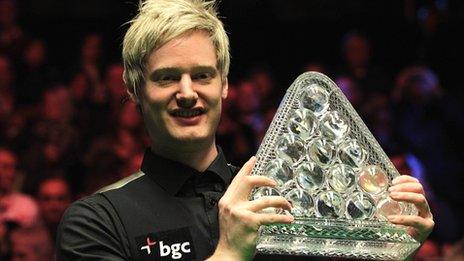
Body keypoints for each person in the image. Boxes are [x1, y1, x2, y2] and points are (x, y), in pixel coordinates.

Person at [56, 0, 434, 260]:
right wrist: (230, 252)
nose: (187, 93)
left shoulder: (286, 199)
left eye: (202, 75)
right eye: (167, 78)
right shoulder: (96, 222)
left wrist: (397, 246)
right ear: (135, 90)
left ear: (223, 85)